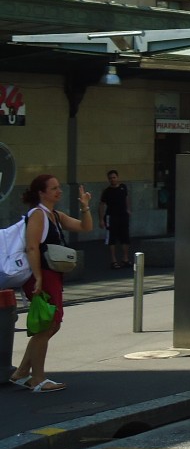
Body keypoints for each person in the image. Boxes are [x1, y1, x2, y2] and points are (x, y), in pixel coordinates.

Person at [9, 174, 94, 393]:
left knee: (51, 324)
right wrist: (37, 277)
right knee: (47, 325)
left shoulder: (54, 215)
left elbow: (85, 227)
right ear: (41, 192)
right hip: (42, 275)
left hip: (51, 275)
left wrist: (85, 207)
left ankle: (21, 373)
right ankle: (37, 378)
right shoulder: (38, 215)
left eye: (59, 187)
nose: (59, 191)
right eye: (54, 188)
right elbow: (32, 247)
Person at [99, 168, 132, 269]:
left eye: (114, 177)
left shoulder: (123, 188)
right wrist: (101, 220)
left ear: (117, 177)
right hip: (111, 217)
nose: (112, 179)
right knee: (111, 239)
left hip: (123, 216)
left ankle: (125, 259)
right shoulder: (107, 192)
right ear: (108, 180)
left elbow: (126, 198)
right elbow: (101, 205)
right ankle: (113, 261)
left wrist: (128, 209)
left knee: (125, 237)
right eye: (110, 178)